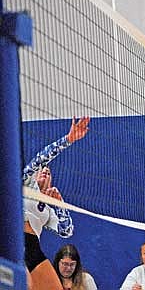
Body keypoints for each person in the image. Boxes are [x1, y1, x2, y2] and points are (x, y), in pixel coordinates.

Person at [23, 116, 90, 290]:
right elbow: (41, 159)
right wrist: (69, 139)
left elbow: (66, 231)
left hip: (32, 248)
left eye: (48, 172)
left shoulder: (48, 209)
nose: (44, 172)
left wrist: (59, 206)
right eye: (42, 171)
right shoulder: (25, 183)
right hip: (13, 241)